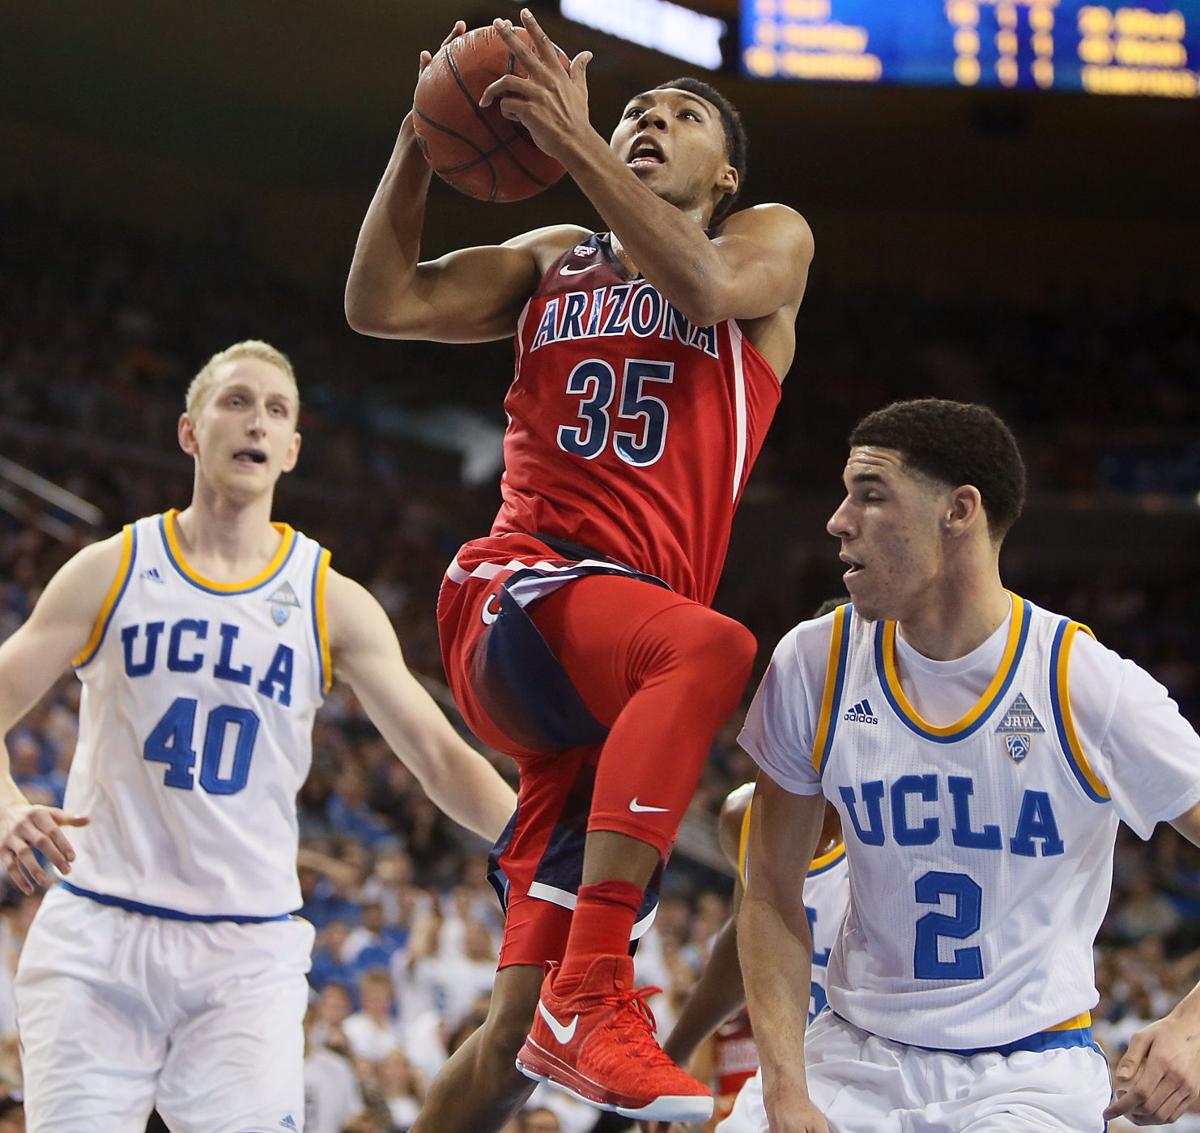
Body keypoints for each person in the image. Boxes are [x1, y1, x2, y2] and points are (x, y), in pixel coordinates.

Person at [345, 9, 813, 1128]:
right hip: (518, 588)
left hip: (617, 678)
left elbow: (703, 285)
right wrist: (418, 141)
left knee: (511, 1040)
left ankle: (567, 1003)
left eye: (683, 114)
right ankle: (599, 984)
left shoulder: (767, 239)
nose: (651, 119)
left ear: (727, 173)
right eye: (634, 109)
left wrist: (574, 140)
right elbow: (381, 301)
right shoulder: (555, 256)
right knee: (716, 646)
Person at [0, 340, 516, 1132]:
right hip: (100, 929)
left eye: (277, 410)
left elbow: (439, 756)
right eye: (236, 402)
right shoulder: (112, 568)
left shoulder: (330, 599)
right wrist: (7, 804)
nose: (257, 421)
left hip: (245, 950)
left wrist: (538, 843)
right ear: (189, 430)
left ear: (293, 448)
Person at [737, 398, 1200, 1131]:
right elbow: (767, 895)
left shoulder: (1083, 684)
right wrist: (785, 1094)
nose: (838, 521)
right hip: (852, 1054)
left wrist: (1192, 1025)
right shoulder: (813, 661)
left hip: (1030, 1071)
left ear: (958, 510)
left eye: (870, 494)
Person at [661, 760, 846, 1130]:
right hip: (791, 1073)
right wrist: (675, 1053)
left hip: (886, 1061)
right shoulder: (743, 815)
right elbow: (748, 941)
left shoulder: (890, 822)